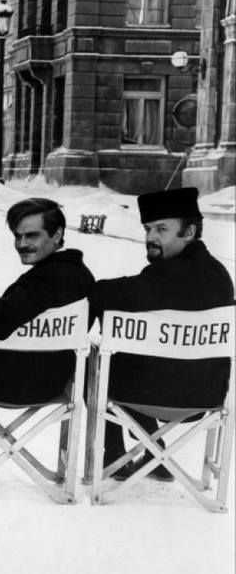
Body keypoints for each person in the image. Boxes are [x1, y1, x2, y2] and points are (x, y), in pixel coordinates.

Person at [91, 187, 234, 480]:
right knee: (135, 360)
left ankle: (115, 458)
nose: (150, 237)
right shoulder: (220, 276)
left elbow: (104, 293)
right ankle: (155, 455)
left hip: (152, 394)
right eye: (147, 229)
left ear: (189, 231)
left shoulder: (163, 276)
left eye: (161, 229)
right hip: (205, 395)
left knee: (101, 365)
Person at [0, 198, 94, 453]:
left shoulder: (47, 279)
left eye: (32, 236)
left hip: (12, 385)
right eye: (17, 236)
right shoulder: (81, 275)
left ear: (57, 234)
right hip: (53, 383)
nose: (22, 244)